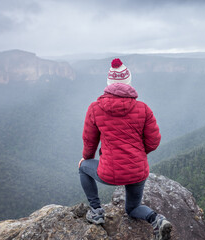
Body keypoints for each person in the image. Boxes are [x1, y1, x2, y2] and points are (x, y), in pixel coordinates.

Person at [78, 58, 172, 240]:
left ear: (109, 83)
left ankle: (96, 211)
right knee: (133, 208)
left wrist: (86, 158)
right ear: (129, 81)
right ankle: (156, 220)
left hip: (109, 173)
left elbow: (90, 142)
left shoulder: (95, 108)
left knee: (83, 168)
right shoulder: (143, 109)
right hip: (137, 171)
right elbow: (153, 142)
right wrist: (136, 154)